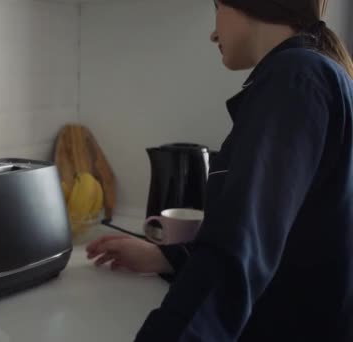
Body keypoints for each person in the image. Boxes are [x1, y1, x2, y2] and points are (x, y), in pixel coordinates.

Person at [86, 0, 353, 341]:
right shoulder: (313, 73)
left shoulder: (295, 78)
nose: (213, 33)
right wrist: (165, 257)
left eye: (217, 9)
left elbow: (235, 253)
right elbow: (277, 238)